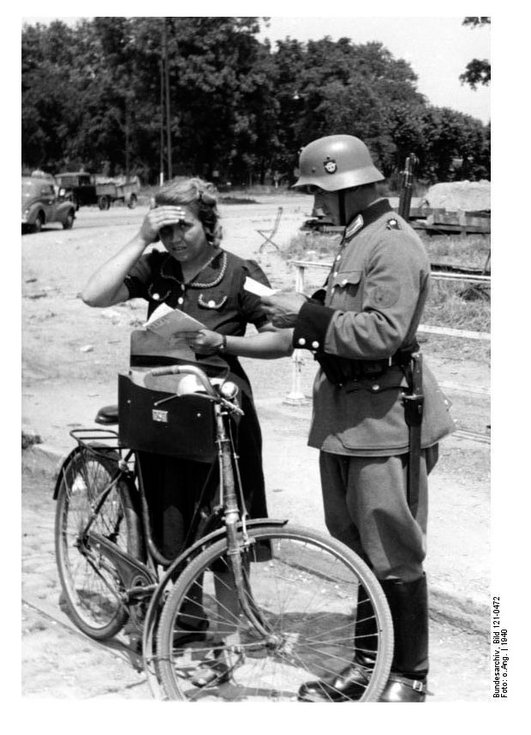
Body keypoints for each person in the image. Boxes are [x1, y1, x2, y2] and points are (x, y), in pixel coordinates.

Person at [261, 135, 455, 703]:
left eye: (321, 191)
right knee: (357, 547)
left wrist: (308, 313)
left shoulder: (392, 243)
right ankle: (369, 665)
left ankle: (410, 676)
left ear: (349, 187)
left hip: (383, 417)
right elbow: (335, 319)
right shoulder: (358, 238)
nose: (316, 204)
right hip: (348, 417)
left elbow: (381, 333)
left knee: (393, 551)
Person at [81, 176, 292, 685]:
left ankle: (235, 630)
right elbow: (93, 295)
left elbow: (283, 338)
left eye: (184, 227)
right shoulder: (156, 268)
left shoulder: (241, 272)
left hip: (221, 415)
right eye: (166, 229)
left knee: (226, 523)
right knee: (170, 519)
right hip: (162, 411)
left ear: (210, 225)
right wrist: (139, 236)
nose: (175, 239)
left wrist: (220, 343)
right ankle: (186, 625)